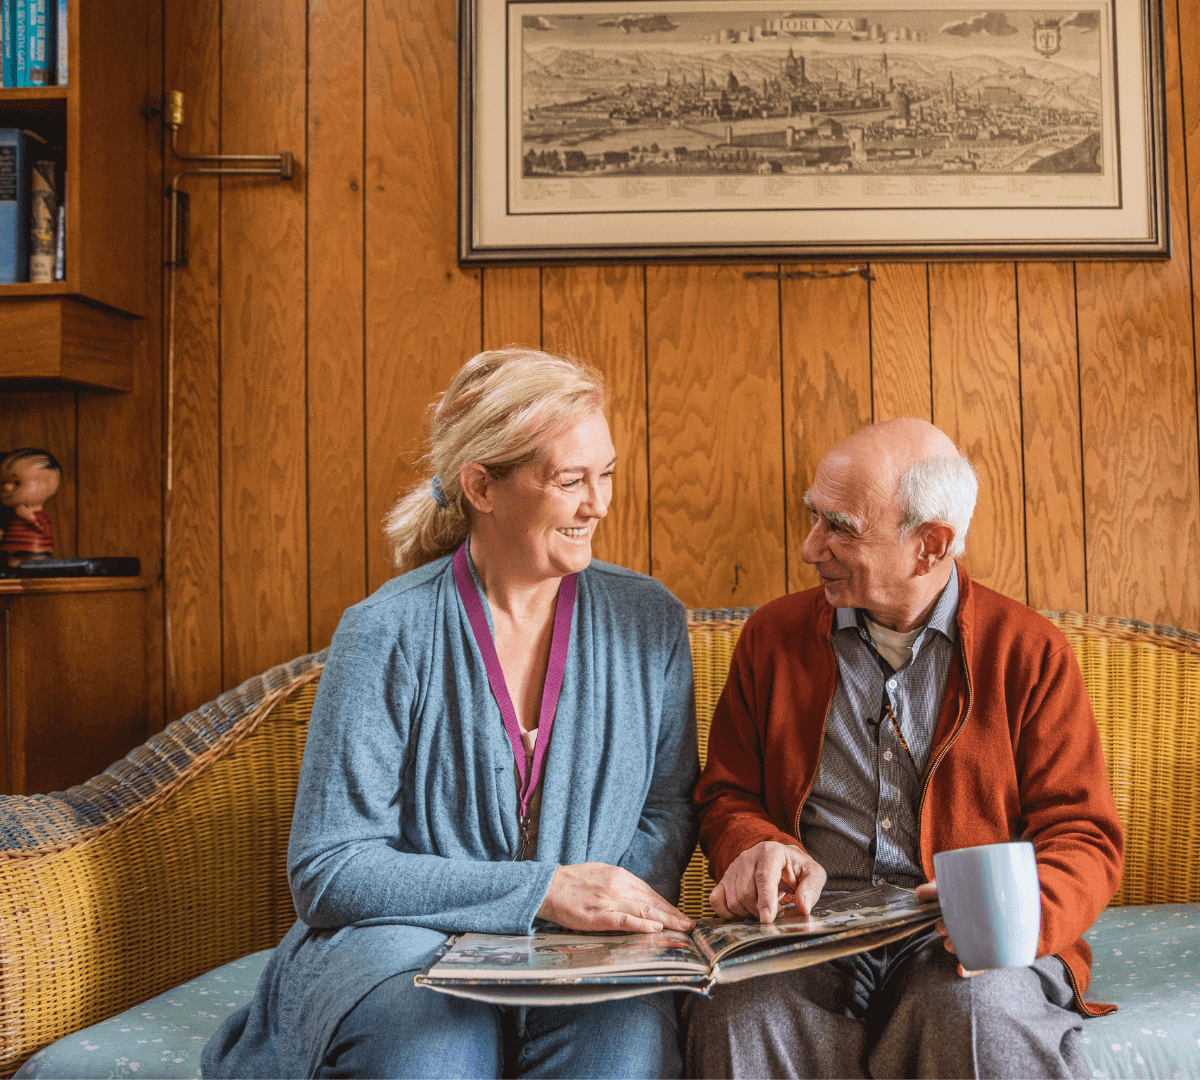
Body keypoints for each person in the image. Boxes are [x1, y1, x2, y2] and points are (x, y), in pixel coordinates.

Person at [203, 348, 699, 1080]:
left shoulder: (648, 619)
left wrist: (599, 912)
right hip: (398, 944)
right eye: (570, 481)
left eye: (608, 473)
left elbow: (666, 810)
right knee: (436, 1052)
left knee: (620, 1051)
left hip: (584, 951)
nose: (599, 504)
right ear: (482, 486)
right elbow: (329, 867)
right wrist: (541, 893)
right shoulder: (386, 631)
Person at [684, 418, 1123, 1080]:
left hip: (963, 938)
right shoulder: (771, 639)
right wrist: (754, 847)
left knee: (977, 1011)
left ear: (930, 545)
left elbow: (1083, 836)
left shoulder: (1026, 652)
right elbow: (727, 793)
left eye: (840, 527)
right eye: (813, 518)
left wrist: (1006, 921)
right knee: (739, 1009)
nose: (810, 548)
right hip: (810, 931)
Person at [0, 447, 61, 567]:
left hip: (32, 553)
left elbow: (42, 528)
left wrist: (30, 517)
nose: (6, 487)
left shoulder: (33, 515)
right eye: (2, 482)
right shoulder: (13, 516)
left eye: (16, 482)